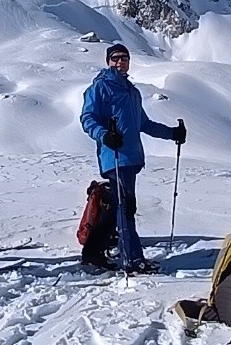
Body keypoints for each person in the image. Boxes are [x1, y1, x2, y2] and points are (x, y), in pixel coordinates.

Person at [79, 43, 186, 273]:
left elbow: (143, 124)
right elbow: (87, 118)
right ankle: (132, 260)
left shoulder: (131, 92)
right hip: (114, 157)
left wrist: (172, 134)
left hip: (131, 158)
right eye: (115, 58)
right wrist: (105, 135)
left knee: (120, 207)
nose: (120, 62)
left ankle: (93, 252)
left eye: (124, 58)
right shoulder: (100, 88)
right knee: (126, 208)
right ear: (108, 62)